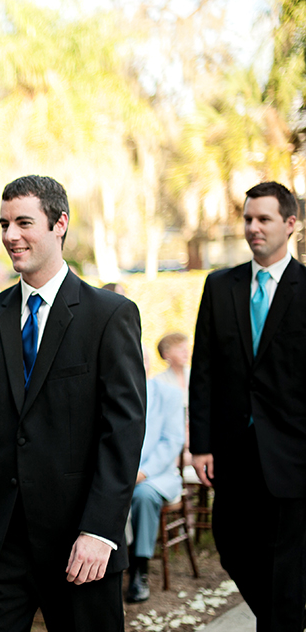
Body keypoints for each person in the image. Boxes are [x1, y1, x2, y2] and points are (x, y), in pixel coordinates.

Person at [0, 175, 145, 632]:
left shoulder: (109, 315)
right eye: (4, 224)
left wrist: (100, 531)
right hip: (0, 543)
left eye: (23, 222)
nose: (10, 236)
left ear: (60, 224)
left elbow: (123, 431)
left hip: (80, 543)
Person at [190, 181, 306, 630]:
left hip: (293, 455)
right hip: (233, 451)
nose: (253, 227)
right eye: (248, 219)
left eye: (264, 219)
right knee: (232, 546)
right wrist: (201, 445)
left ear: (290, 223)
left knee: (287, 564)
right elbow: (203, 369)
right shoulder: (220, 285)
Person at [127, 350, 185, 603]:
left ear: (148, 363)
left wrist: (142, 473)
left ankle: (139, 571)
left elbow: (171, 441)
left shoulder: (168, 394)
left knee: (144, 495)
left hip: (157, 475)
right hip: (119, 476)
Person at [154, 332, 191, 465]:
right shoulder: (159, 382)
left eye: (186, 348)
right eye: (180, 349)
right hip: (173, 438)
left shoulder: (195, 377)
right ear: (166, 354)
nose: (185, 352)